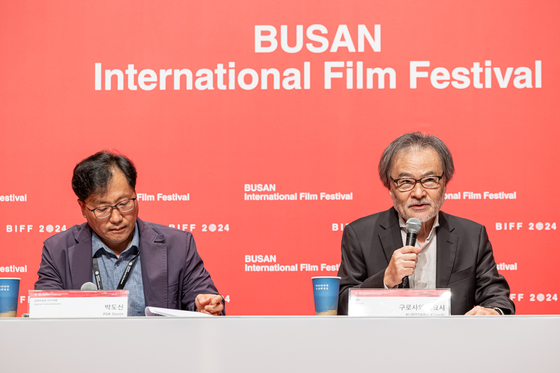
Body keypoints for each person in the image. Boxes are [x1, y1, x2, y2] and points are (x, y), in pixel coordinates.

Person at [337, 132, 514, 315]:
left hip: (452, 341)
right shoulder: (360, 235)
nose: (419, 193)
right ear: (390, 187)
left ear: (445, 183)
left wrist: (492, 312)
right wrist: (385, 280)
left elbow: (497, 297)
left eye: (429, 180)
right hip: (386, 340)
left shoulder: (472, 235)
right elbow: (341, 304)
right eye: (406, 182)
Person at [35, 151, 224, 316]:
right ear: (83, 208)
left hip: (158, 353)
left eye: (124, 203)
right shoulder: (57, 251)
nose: (116, 217)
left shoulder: (179, 246)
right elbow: (45, 319)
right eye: (102, 209)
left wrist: (206, 307)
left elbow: (204, 300)